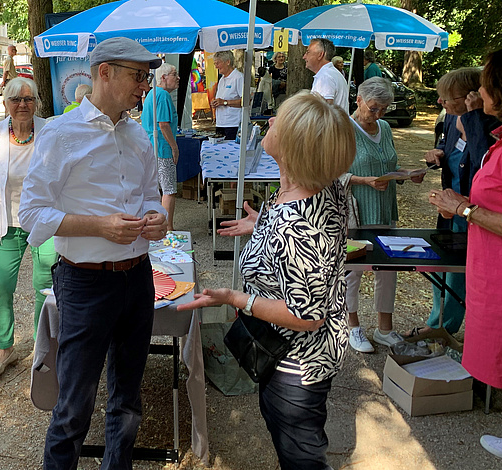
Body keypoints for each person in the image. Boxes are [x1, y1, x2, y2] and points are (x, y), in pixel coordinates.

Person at [179, 92, 355, 470]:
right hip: (290, 354)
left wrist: (235, 299)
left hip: (296, 365)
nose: (270, 122)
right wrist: (262, 223)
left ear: (294, 148)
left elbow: (306, 315)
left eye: (280, 120)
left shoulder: (299, 225)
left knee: (302, 458)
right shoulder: (315, 186)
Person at [18, 36, 167, 470]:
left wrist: (156, 216)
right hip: (84, 281)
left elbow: (149, 196)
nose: (145, 85)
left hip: (138, 278)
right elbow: (31, 213)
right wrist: (99, 226)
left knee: (127, 399)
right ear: (105, 72)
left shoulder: (138, 136)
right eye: (138, 76)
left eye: (147, 76)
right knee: (74, 407)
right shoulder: (61, 133)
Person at [428, 46, 502, 469]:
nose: (478, 92)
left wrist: (464, 209)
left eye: (485, 83)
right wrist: (463, 202)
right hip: (498, 272)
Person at [0, 77, 56, 379]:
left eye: (29, 99)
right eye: (16, 99)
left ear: (36, 102)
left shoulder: (49, 131)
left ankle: (41, 348)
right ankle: (5, 348)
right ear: (5, 103)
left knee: (44, 285)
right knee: (0, 287)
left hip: (44, 221)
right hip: (6, 223)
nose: (23, 105)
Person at [410, 67, 500, 338]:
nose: (441, 103)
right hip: (449, 210)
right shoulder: (450, 119)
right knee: (441, 266)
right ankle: (436, 324)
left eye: (448, 98)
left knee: (463, 273)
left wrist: (473, 117)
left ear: (472, 97)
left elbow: (485, 160)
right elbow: (452, 153)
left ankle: (447, 328)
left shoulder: (488, 123)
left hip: (476, 212)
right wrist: (434, 155)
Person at [341, 77, 424, 353]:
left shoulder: (385, 128)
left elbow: (388, 162)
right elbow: (332, 173)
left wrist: (405, 174)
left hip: (385, 208)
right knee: (353, 270)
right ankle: (352, 327)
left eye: (384, 109)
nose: (378, 115)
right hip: (356, 211)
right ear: (359, 100)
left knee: (388, 268)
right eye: (374, 108)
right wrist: (365, 181)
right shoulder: (343, 129)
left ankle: (384, 329)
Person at [141, 62, 181, 231]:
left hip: (151, 146)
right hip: (163, 148)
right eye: (174, 74)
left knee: (157, 189)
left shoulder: (151, 94)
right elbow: (163, 124)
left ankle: (161, 225)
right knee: (169, 189)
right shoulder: (163, 95)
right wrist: (174, 147)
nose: (178, 78)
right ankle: (167, 228)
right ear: (163, 77)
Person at [304, 38, 349, 113]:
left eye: (308, 52)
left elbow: (323, 111)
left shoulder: (325, 76)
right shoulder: (330, 73)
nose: (304, 57)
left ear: (320, 55)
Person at [210, 50, 244, 141]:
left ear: (228, 62)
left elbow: (245, 101)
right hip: (220, 123)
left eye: (218, 63)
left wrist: (224, 102)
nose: (216, 66)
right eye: (215, 64)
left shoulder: (238, 77)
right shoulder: (222, 79)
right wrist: (215, 103)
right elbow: (220, 100)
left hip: (233, 124)